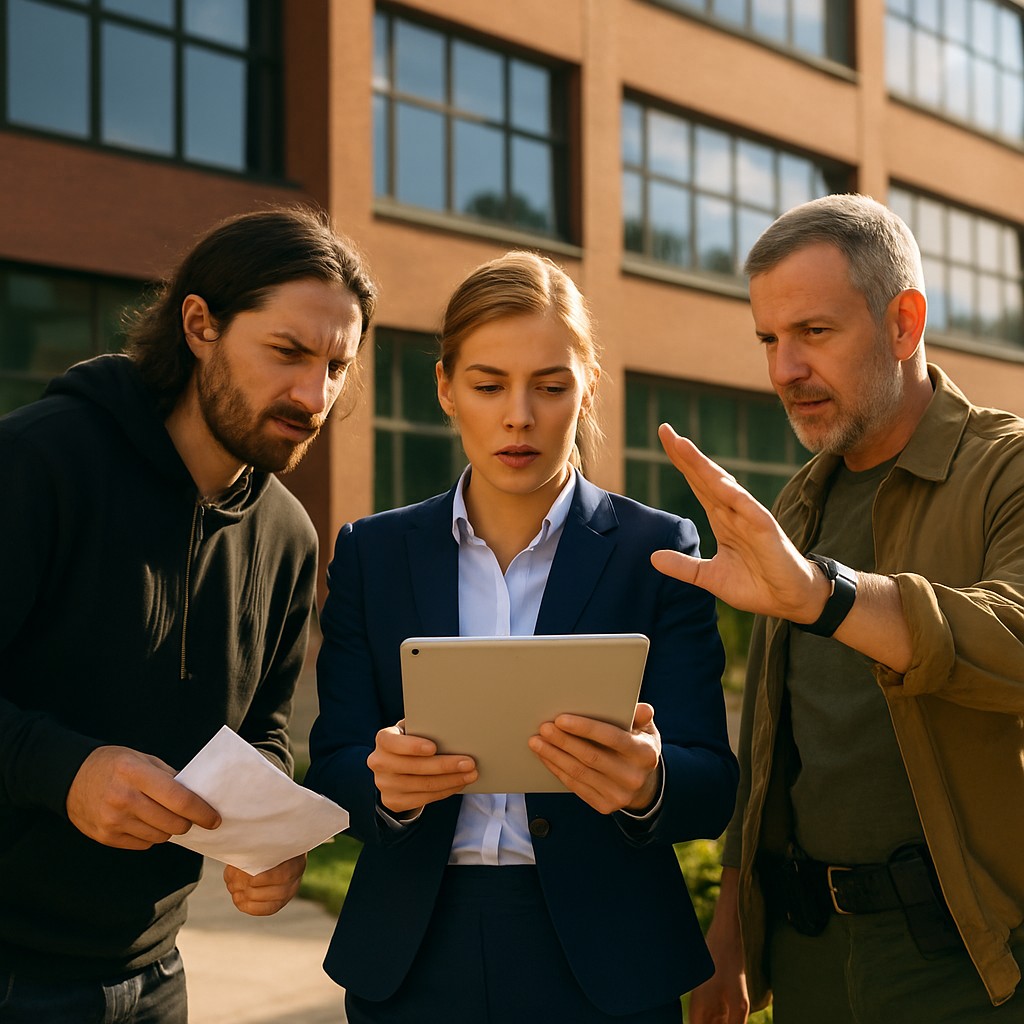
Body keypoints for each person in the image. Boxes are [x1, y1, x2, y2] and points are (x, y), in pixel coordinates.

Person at [304, 250, 739, 1023]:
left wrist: (649, 781)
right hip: (410, 955)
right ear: (445, 388)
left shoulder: (658, 550)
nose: (520, 416)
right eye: (488, 384)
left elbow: (710, 783)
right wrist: (384, 788)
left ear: (587, 387)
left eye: (550, 385)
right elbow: (334, 761)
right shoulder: (372, 555)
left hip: (608, 958)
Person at [650, 194, 1024, 1022]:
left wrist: (826, 596)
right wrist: (731, 935)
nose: (784, 370)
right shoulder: (796, 508)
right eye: (769, 341)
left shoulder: (1009, 469)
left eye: (814, 333)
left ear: (903, 322)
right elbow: (772, 740)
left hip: (973, 966)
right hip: (809, 953)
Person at [0, 206, 377, 1022]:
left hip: (155, 975)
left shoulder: (288, 535)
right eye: (287, 352)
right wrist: (62, 769)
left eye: (337, 366)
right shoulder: (38, 465)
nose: (314, 395)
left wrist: (268, 836)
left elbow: (264, 731)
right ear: (200, 324)